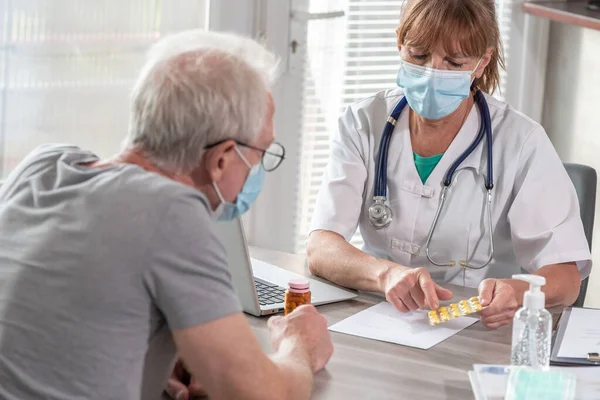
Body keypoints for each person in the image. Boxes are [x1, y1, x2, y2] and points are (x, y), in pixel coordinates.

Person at [0, 30, 333, 400]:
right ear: (222, 159)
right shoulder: (172, 211)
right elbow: (261, 394)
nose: (258, 169)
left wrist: (149, 356)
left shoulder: (43, 165)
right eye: (260, 153)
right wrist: (298, 345)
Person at [307, 0, 592, 330]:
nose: (432, 73)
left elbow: (566, 277)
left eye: (454, 62)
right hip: (378, 316)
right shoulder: (362, 122)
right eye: (418, 55)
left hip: (474, 325)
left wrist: (517, 290)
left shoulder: (521, 141)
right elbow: (321, 246)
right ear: (400, 42)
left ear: (481, 62)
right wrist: (385, 274)